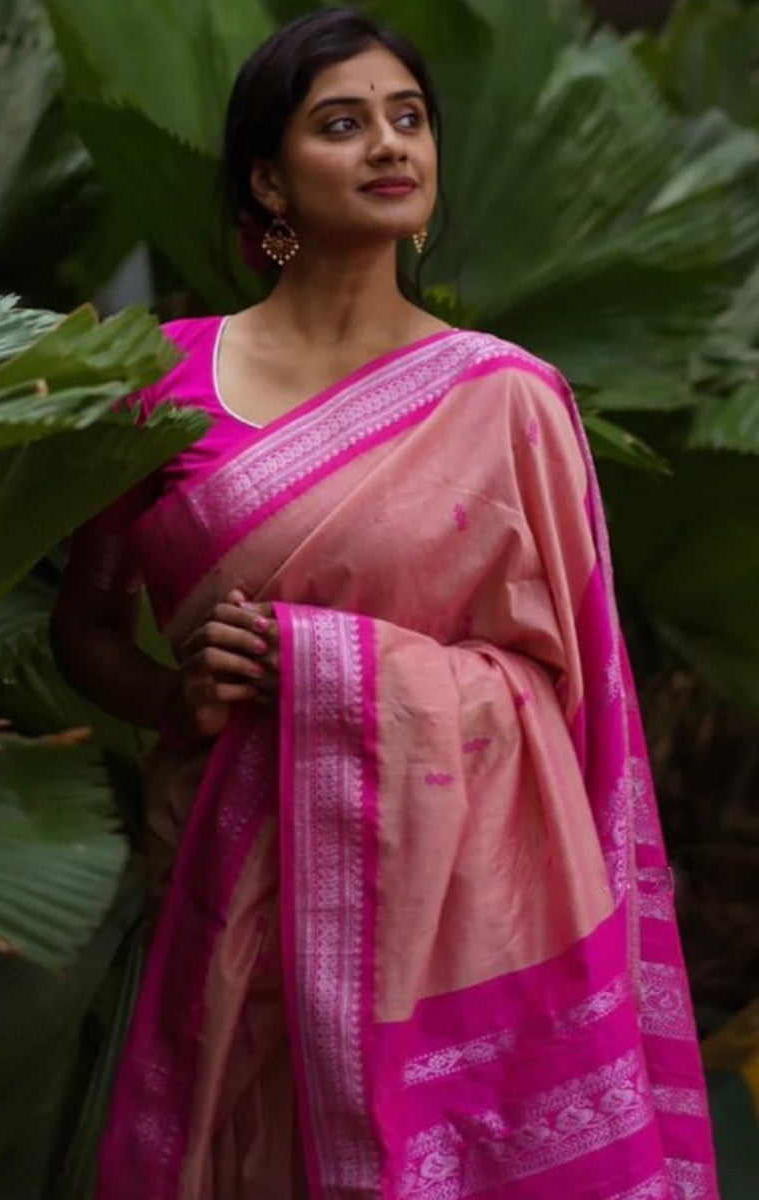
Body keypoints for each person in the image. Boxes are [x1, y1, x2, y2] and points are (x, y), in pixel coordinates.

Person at [51, 8, 719, 1198]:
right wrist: (175, 694)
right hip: (223, 889)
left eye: (406, 120)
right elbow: (85, 627)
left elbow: (568, 700)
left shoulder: (505, 399)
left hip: (460, 922)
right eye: (341, 124)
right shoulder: (161, 378)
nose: (387, 147)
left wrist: (329, 667)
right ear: (267, 177)